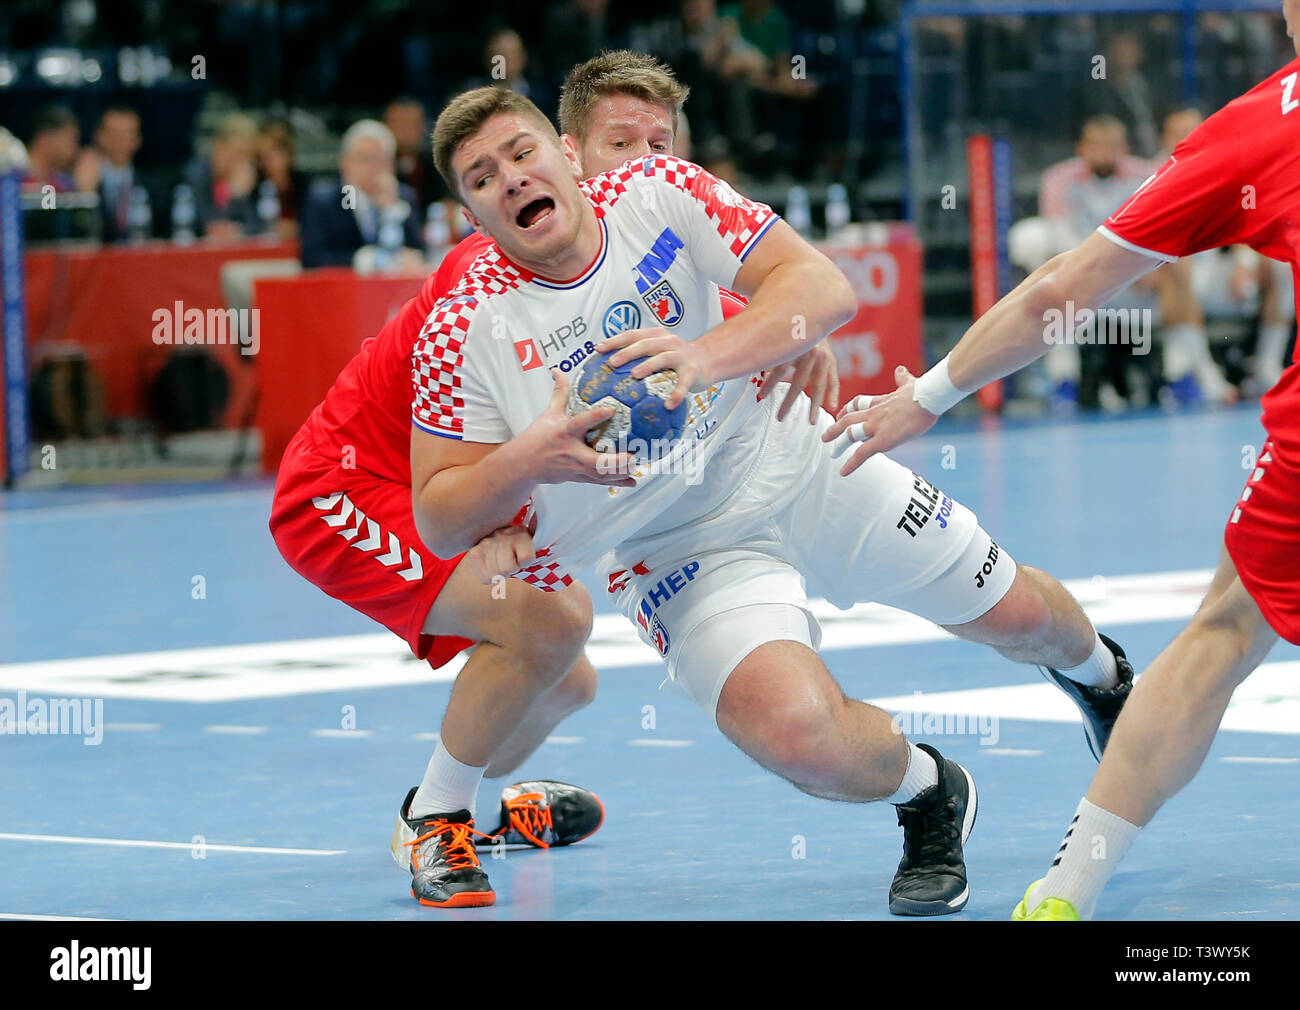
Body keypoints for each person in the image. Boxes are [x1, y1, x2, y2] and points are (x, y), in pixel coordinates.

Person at [410, 82, 1134, 919]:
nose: (509, 178)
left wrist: (702, 358)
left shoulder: (657, 191)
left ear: (564, 156)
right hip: (676, 551)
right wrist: (525, 462)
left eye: (521, 152)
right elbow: (439, 515)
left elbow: (820, 288)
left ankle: (1102, 676)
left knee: (1018, 620)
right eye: (480, 176)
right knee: (797, 735)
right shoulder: (462, 324)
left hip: (794, 453)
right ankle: (931, 790)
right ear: (471, 214)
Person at [274, 51, 817, 911]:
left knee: (567, 678)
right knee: (550, 620)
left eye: (656, 145)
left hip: (468, 484)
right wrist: (502, 497)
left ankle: (472, 807)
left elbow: (737, 300)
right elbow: (463, 476)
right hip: (345, 491)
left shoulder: (619, 227)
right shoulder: (486, 284)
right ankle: (436, 823)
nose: (644, 166)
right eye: (620, 145)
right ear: (575, 150)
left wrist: (780, 327)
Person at [823, 0, 1300, 922]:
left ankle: (1065, 893)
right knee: (1226, 627)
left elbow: (1064, 291)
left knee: (1225, 635)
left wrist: (925, 397)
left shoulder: (1258, 129)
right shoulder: (1246, 136)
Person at [298, 119, 425, 270]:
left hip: (395, 290)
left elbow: (420, 251)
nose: (374, 167)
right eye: (365, 159)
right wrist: (362, 260)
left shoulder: (403, 196)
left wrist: (392, 209)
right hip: (341, 290)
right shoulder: (322, 200)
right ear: (346, 162)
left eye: (382, 159)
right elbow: (311, 258)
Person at [73, 105, 147, 244]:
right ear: (99, 136)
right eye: (114, 134)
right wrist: (85, 193)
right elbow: (77, 229)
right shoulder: (84, 176)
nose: (120, 141)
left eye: (127, 134)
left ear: (137, 140)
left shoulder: (150, 185)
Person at [184, 112, 261, 240]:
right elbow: (208, 227)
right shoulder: (196, 175)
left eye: (249, 155)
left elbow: (258, 225)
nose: (244, 162)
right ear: (218, 146)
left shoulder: (249, 177)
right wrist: (234, 195)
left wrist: (239, 195)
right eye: (239, 153)